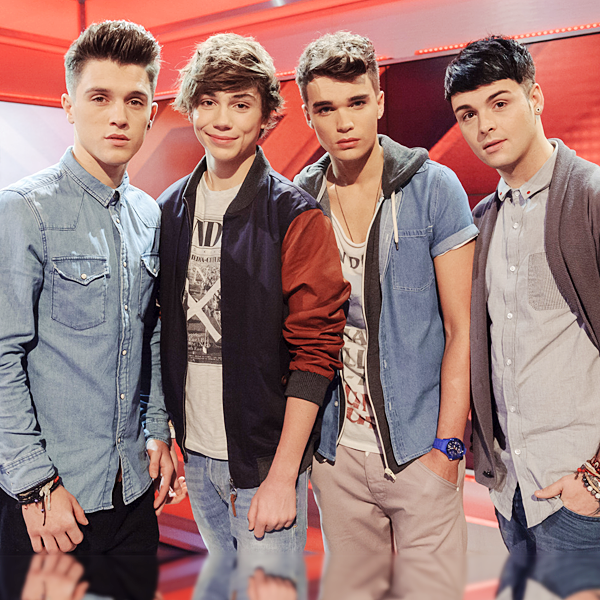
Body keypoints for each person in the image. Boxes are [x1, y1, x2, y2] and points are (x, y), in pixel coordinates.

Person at [158, 33, 349, 552]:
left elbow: (316, 353)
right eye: (208, 101)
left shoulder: (294, 214)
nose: (222, 119)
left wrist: (283, 475)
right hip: (197, 458)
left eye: (241, 104)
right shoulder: (170, 208)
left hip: (264, 465)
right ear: (191, 108)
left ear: (267, 116)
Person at [294, 32, 477, 563]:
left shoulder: (434, 188)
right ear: (308, 116)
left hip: (420, 450)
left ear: (379, 101)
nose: (344, 122)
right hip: (337, 457)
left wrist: (448, 449)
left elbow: (461, 328)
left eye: (356, 103)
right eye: (326, 109)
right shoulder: (300, 199)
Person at [0, 20, 177, 555]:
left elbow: (151, 336)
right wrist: (36, 484)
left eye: (134, 100)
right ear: (69, 106)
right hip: (54, 501)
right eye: (100, 98)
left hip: (134, 491)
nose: (118, 116)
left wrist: (157, 429)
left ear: (151, 112)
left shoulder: (149, 214)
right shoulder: (23, 209)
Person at [446, 35, 600, 552]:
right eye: (467, 114)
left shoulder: (591, 199)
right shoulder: (480, 223)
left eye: (499, 103)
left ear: (535, 98)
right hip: (512, 497)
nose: (484, 125)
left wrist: (595, 480)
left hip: (581, 498)